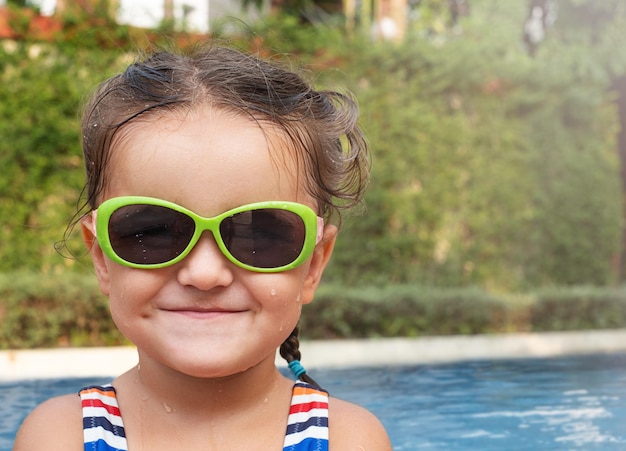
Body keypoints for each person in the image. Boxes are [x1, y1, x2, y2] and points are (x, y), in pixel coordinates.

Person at [14, 44, 392, 450]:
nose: (205, 273)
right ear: (102, 257)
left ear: (313, 265)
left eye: (258, 234)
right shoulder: (60, 436)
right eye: (154, 231)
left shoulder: (349, 439)